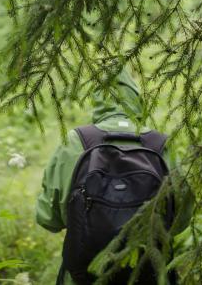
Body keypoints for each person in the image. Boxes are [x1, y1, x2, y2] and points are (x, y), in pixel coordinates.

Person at [36, 69, 191, 284]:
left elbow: (48, 218)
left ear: (97, 100)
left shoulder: (75, 141)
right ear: (137, 99)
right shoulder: (161, 145)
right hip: (151, 273)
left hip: (84, 274)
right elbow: (181, 220)